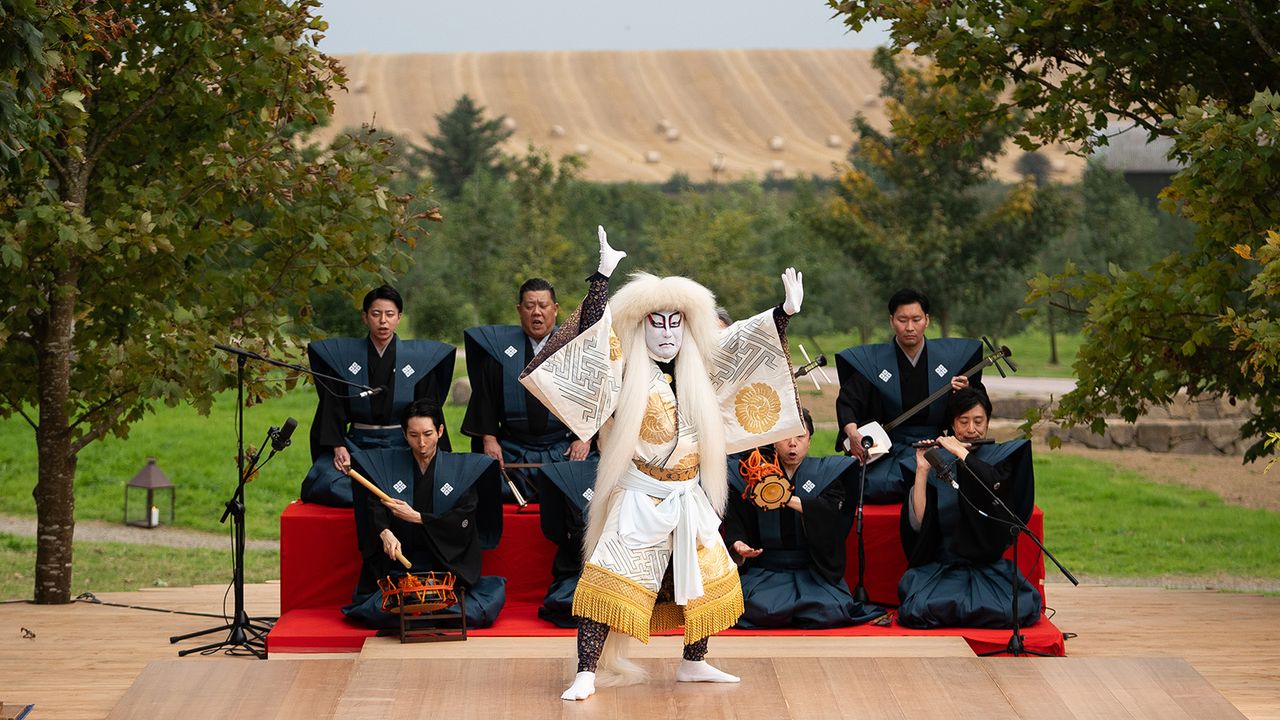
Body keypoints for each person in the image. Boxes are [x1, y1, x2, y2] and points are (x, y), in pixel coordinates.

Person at [520, 226, 806, 701]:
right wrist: (601, 277)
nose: (668, 331)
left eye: (677, 322)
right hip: (638, 491)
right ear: (642, 324)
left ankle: (694, 662)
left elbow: (745, 347)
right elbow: (591, 340)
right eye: (658, 322)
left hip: (688, 492)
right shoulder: (625, 368)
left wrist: (784, 313)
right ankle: (587, 671)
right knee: (605, 579)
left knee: (708, 579)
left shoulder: (703, 367)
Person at [342, 399, 506, 630]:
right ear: (404, 434)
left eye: (428, 434)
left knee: (466, 610)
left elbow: (464, 517)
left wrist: (418, 518)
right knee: (378, 611)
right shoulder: (391, 465)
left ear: (439, 431)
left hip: (444, 565)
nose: (421, 443)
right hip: (401, 566)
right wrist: (384, 531)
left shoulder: (458, 471)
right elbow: (375, 503)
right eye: (414, 435)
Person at [724, 408, 885, 629]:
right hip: (768, 571)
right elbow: (737, 519)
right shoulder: (754, 475)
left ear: (809, 440)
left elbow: (830, 514)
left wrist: (783, 496)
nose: (793, 444)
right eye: (785, 437)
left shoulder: (827, 472)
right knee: (754, 608)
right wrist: (738, 544)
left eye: (800, 436)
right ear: (772, 441)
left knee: (830, 610)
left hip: (812, 572)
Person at [897, 387, 1042, 629]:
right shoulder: (939, 460)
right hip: (946, 568)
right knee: (919, 610)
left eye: (978, 421)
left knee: (1013, 610)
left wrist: (960, 452)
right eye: (963, 422)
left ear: (988, 422)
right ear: (952, 425)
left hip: (989, 568)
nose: (971, 429)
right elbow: (920, 522)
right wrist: (922, 469)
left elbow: (995, 488)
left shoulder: (1000, 458)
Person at [301, 285, 456, 507]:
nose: (383, 321)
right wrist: (338, 446)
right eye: (376, 314)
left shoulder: (419, 360)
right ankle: (388, 494)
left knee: (433, 482)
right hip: (358, 446)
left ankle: (380, 493)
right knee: (326, 482)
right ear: (365, 317)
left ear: (399, 318)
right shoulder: (345, 359)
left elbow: (428, 410)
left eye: (389, 314)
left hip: (404, 445)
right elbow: (331, 407)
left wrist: (425, 447)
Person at [834, 288, 984, 502]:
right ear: (891, 320)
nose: (910, 327)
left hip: (938, 445)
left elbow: (975, 403)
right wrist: (852, 433)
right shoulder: (873, 362)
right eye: (902, 320)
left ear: (927, 320)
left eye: (916, 319)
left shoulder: (950, 360)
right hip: (889, 447)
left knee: (959, 478)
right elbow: (848, 401)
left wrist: (966, 391)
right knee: (863, 484)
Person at [462, 279, 592, 503]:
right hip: (514, 449)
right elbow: (486, 399)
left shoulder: (574, 348)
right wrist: (490, 439)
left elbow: (593, 398)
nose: (537, 313)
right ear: (519, 310)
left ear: (556, 309)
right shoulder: (500, 351)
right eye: (530, 306)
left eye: (543, 305)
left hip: (563, 448)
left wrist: (586, 439)